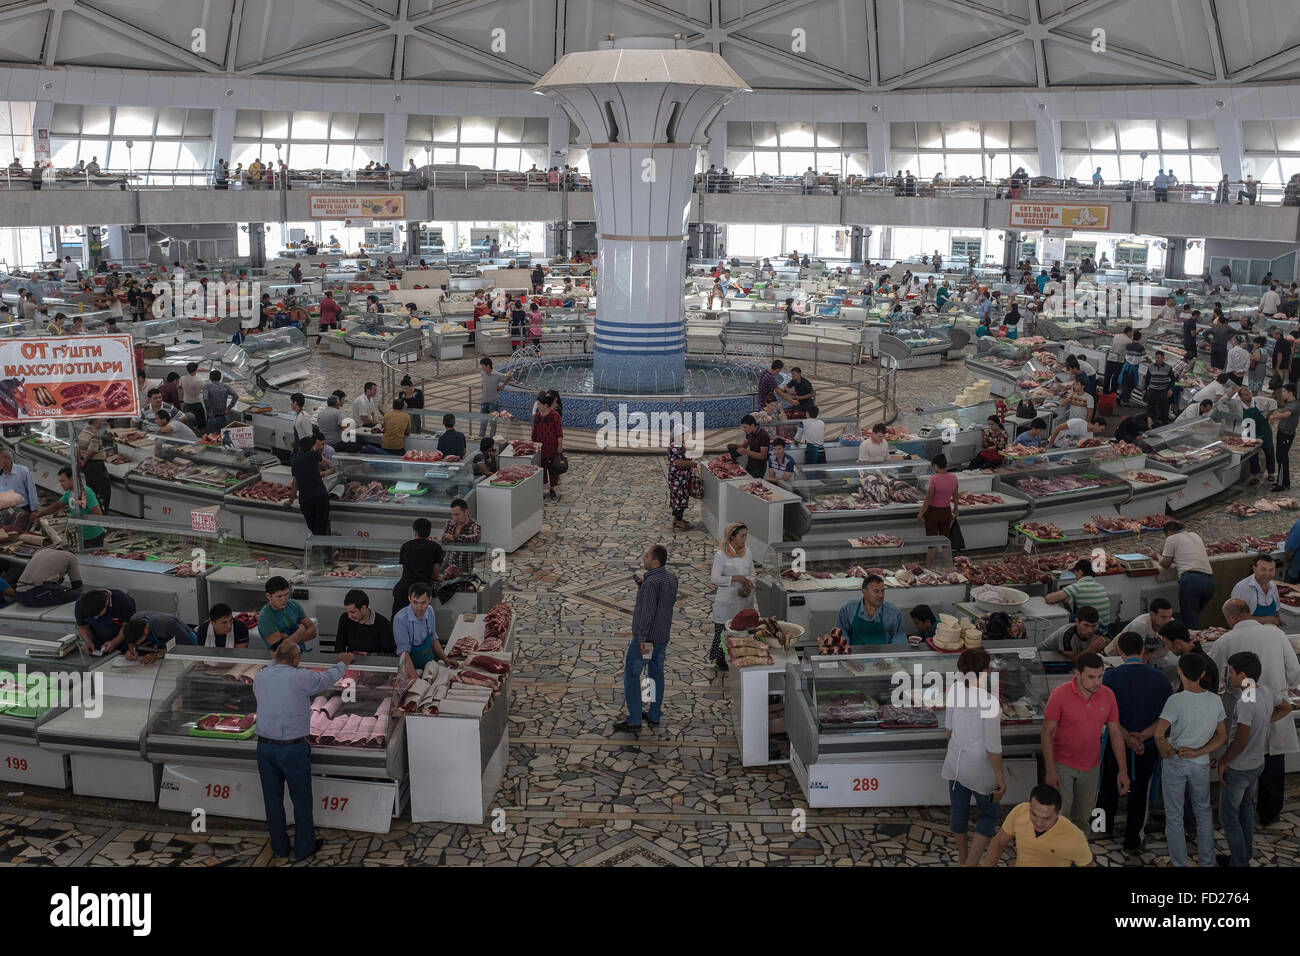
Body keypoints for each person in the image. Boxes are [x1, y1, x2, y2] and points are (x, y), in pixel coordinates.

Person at [253, 641, 353, 862]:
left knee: (272, 800)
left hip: (265, 747)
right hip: (292, 748)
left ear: (277, 656)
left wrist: (277, 657)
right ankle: (304, 848)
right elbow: (327, 679)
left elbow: (275, 668)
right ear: (296, 659)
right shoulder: (300, 677)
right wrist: (341, 664)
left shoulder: (261, 676)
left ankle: (279, 847)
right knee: (301, 800)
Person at [1209, 599, 1300, 827]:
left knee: (1241, 759)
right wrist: (1279, 686)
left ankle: (1240, 815)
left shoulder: (1226, 640)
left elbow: (1213, 675)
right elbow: (1294, 670)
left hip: (1243, 702)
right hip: (1275, 701)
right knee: (1273, 760)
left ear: (1231, 618)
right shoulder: (1276, 634)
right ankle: (1269, 813)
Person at [1097, 631, 1172, 852]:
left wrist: (1126, 736)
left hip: (1115, 744)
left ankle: (1101, 829)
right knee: (1140, 792)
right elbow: (1166, 716)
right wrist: (1142, 736)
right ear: (1142, 650)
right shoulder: (1161, 679)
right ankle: (1133, 838)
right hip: (1147, 747)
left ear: (1119, 651)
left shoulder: (1109, 678)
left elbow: (1105, 715)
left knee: (1107, 787)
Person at [1042, 652, 1130, 834]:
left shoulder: (1108, 695)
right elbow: (1046, 733)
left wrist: (1123, 770)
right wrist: (1050, 770)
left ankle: (1079, 858)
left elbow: (1115, 733)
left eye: (1100, 676)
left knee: (1082, 819)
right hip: (1062, 765)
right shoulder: (1060, 695)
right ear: (1077, 673)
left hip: (1091, 767)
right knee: (1060, 819)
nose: (1097, 682)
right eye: (1091, 677)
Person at [1218, 651, 1292, 866]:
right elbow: (1286, 707)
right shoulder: (1264, 692)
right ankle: (1244, 853)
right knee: (1245, 810)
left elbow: (1240, 741)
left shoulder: (1245, 702)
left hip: (1241, 767)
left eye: (1231, 672)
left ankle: (1239, 862)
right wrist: (1264, 722)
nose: (1229, 676)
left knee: (1229, 816)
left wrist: (1224, 760)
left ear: (1242, 675)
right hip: (1258, 762)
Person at [1154, 653, 1227, 867]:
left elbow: (1159, 734)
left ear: (1179, 671)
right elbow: (1222, 737)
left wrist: (1168, 752)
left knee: (1175, 814)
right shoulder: (1215, 700)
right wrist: (1199, 751)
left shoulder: (1175, 701)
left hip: (1176, 761)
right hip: (1201, 762)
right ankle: (1207, 861)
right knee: (1203, 812)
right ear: (1203, 674)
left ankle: (1179, 862)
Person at [942, 647, 1006, 866]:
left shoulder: (954, 691)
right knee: (987, 815)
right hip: (982, 769)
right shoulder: (990, 702)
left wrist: (960, 749)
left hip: (956, 765)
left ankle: (962, 858)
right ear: (987, 671)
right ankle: (970, 863)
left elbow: (948, 731)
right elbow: (993, 747)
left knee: (958, 813)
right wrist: (1000, 778)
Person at [614, 545, 679, 735]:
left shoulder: (651, 584)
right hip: (662, 636)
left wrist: (641, 638)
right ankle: (654, 713)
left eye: (647, 556)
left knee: (632, 676)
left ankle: (634, 719)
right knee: (655, 673)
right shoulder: (670, 578)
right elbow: (667, 602)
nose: (644, 558)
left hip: (647, 639)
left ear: (655, 561)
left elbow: (647, 613)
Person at [981, 784, 1093, 867]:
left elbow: (1087, 864)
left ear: (1059, 813)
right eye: (1034, 814)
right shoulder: (1020, 811)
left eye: (1046, 818)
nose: (1039, 822)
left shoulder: (1073, 836)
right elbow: (998, 842)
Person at [1150, 521, 1215, 628]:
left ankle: (1189, 643)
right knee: (1193, 617)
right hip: (1209, 582)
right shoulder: (1195, 535)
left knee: (1189, 622)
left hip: (1192, 581)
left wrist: (1157, 555)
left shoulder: (1171, 538)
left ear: (1169, 532)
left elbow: (1165, 564)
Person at [709, 522, 755, 671]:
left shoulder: (747, 552)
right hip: (726, 601)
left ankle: (739, 655)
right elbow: (715, 578)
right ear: (732, 537)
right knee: (723, 631)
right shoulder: (721, 555)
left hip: (744, 599)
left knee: (743, 629)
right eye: (742, 536)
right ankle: (720, 658)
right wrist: (735, 578)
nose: (744, 539)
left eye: (746, 535)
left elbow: (752, 573)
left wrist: (749, 583)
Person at [31, 467, 105, 548]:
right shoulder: (68, 493)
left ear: (72, 479)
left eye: (63, 481)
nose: (61, 484)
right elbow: (56, 505)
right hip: (81, 535)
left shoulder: (86, 492)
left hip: (93, 536)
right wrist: (39, 514)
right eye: (60, 481)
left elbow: (98, 514)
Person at [391, 582, 453, 668]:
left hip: (429, 663)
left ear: (429, 600)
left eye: (423, 603)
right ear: (409, 599)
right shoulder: (400, 619)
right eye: (415, 602)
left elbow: (433, 637)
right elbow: (403, 652)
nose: (419, 608)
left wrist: (445, 659)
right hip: (410, 665)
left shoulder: (430, 611)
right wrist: (415, 677)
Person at [835, 574, 906, 646]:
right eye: (876, 591)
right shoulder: (848, 609)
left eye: (882, 591)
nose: (881, 595)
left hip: (884, 655)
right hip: (855, 654)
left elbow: (899, 644)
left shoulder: (894, 613)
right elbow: (841, 637)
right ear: (864, 591)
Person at [393, 517, 442, 615]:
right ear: (429, 532)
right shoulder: (435, 548)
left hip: (403, 589)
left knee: (399, 621)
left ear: (415, 532)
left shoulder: (405, 546)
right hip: (422, 592)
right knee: (419, 622)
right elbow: (435, 575)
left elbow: (405, 570)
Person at [258, 576, 318, 653]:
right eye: (279, 596)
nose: (284, 600)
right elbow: (281, 649)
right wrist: (301, 630)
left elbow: (313, 633)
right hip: (281, 661)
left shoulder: (293, 605)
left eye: (286, 595)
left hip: (301, 654)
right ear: (268, 596)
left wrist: (287, 638)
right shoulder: (265, 618)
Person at [1044, 559, 1111, 627]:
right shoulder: (1101, 586)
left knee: (1065, 618)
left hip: (1092, 629)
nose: (1075, 577)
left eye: (1075, 573)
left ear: (1080, 571)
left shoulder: (1077, 587)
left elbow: (1049, 599)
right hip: (1105, 628)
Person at [285, 435, 330, 535]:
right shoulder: (314, 454)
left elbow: (295, 484)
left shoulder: (295, 462)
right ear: (312, 446)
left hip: (306, 499)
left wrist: (290, 501)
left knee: (313, 527)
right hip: (320, 496)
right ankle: (322, 547)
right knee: (322, 526)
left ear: (300, 448)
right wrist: (332, 469)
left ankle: (316, 546)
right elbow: (327, 463)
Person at [1102, 599, 1174, 658]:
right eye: (1163, 617)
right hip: (1115, 656)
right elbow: (1134, 654)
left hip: (1144, 655)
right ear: (1152, 615)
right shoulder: (1140, 625)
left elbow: (1166, 649)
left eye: (1169, 616)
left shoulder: (1172, 623)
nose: (1167, 621)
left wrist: (1148, 656)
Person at [74, 587, 137, 654]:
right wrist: (88, 641)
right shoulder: (80, 604)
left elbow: (127, 627)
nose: (95, 618)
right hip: (97, 645)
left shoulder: (122, 601)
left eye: (98, 614)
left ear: (107, 602)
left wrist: (115, 642)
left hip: (121, 644)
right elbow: (83, 627)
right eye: (91, 616)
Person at [336, 589, 395, 655]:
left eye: (353, 612)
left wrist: (369, 656)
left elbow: (390, 652)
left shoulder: (382, 624)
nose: (349, 616)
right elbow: (339, 646)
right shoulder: (345, 618)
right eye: (347, 612)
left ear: (364, 608)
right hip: (350, 660)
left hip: (374, 662)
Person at [1230, 553, 1283, 625]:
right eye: (1263, 569)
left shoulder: (1273, 586)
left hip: (1270, 633)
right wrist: (1266, 620)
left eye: (1271, 570)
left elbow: (1276, 612)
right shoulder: (1243, 588)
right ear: (1254, 569)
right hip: (1249, 634)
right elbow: (1235, 618)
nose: (1267, 574)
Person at [1036, 605, 1105, 660]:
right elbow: (1073, 662)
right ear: (1077, 622)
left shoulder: (1096, 631)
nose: (1090, 630)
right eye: (1086, 625)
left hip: (1070, 658)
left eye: (1093, 626)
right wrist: (1091, 649)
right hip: (1043, 658)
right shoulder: (1066, 634)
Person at [917, 453, 958, 540]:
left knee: (931, 541)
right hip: (946, 512)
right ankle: (946, 554)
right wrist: (956, 510)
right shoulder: (954, 477)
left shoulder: (934, 478)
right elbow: (955, 496)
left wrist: (922, 512)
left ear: (935, 465)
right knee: (945, 540)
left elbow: (929, 497)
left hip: (933, 513)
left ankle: (931, 553)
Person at [531, 392, 564, 499]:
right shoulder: (537, 416)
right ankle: (543, 487)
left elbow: (559, 432)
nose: (538, 406)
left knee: (553, 468)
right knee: (542, 467)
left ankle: (552, 488)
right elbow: (535, 430)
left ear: (545, 405)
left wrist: (560, 446)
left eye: (539, 404)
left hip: (552, 446)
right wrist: (533, 443)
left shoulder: (555, 416)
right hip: (541, 447)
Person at [1269, 381, 1299, 491]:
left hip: (1287, 435)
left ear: (1290, 393)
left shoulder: (1295, 404)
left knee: (1282, 458)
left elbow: (1287, 415)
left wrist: (1274, 417)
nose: (1282, 393)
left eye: (1284, 391)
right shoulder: (1288, 403)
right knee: (1281, 458)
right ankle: (1285, 481)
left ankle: (1280, 484)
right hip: (1282, 433)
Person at [440, 498, 481, 573]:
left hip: (464, 569)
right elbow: (444, 543)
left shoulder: (474, 525)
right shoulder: (449, 523)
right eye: (452, 514)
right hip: (447, 566)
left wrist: (454, 537)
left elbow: (476, 538)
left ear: (466, 512)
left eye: (457, 514)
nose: (454, 518)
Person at [666, 426, 695, 530]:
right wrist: (691, 463)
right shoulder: (675, 447)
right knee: (680, 498)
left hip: (680, 477)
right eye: (685, 434)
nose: (687, 436)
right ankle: (679, 521)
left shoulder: (678, 445)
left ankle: (677, 519)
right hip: (678, 478)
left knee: (678, 498)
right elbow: (677, 462)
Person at [0, 447, 40, 522]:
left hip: (22, 508)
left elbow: (31, 491)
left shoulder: (22, 471)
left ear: (8, 459)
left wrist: (34, 510)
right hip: (4, 510)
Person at [479, 357, 512, 437]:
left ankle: (491, 440)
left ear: (488, 366)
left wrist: (502, 387)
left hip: (493, 403)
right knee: (483, 423)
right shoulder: (483, 373)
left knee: (493, 423)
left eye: (483, 366)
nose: (481, 368)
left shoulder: (497, 375)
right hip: (484, 401)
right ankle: (480, 439)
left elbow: (509, 377)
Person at [202, 369, 239, 433]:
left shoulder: (207, 387)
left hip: (212, 416)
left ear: (210, 378)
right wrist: (229, 408)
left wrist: (209, 411)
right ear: (220, 377)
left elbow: (205, 398)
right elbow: (236, 396)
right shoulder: (226, 386)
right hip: (224, 415)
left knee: (212, 438)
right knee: (223, 436)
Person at [1144, 350, 1174, 424]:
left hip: (1163, 391)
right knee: (1150, 408)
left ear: (1163, 358)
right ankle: (1150, 423)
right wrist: (1144, 389)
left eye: (1158, 358)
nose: (1157, 359)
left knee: (1164, 409)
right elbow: (1147, 379)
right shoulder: (1151, 367)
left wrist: (1170, 389)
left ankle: (1164, 423)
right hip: (1152, 391)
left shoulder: (1168, 367)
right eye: (1156, 358)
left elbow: (1173, 379)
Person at [179, 362, 206, 431]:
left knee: (188, 423)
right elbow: (204, 390)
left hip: (186, 403)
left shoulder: (182, 378)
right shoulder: (199, 380)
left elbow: (180, 387)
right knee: (200, 424)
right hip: (196, 403)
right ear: (196, 369)